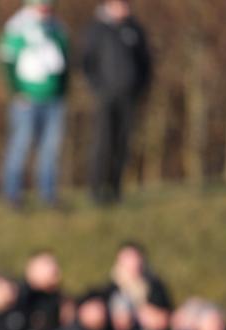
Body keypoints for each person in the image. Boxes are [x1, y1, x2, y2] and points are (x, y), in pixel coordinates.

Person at [0, 0, 69, 208]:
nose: (44, 10)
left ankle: (48, 194)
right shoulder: (17, 27)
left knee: (50, 150)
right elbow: (6, 61)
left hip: (53, 99)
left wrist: (62, 92)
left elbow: (64, 62)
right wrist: (16, 92)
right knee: (20, 146)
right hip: (26, 100)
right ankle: (12, 195)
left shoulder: (57, 27)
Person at [82, 0, 151, 203]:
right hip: (105, 97)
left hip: (129, 96)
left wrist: (140, 87)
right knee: (103, 143)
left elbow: (145, 63)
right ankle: (96, 190)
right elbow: (87, 62)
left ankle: (115, 189)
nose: (124, 9)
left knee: (122, 144)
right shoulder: (97, 30)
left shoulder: (134, 29)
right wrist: (98, 87)